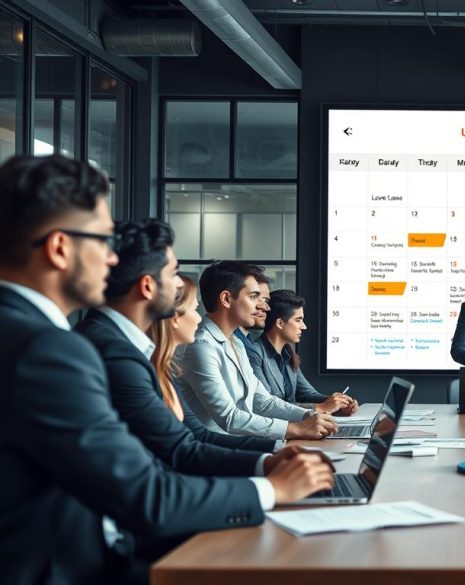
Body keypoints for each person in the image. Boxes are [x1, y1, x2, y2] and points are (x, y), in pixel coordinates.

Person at [0, 155, 334, 584]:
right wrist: (274, 488)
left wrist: (264, 465)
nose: (113, 259)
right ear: (60, 247)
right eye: (103, 241)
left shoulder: (32, 336)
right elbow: (147, 495)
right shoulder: (48, 351)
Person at [76, 219, 310, 478]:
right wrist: (273, 473)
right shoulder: (117, 353)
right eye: (173, 273)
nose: (179, 283)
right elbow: (181, 451)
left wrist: (273, 455)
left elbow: (193, 437)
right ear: (147, 286)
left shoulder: (145, 355)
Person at [178, 260, 337, 440]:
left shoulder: (236, 343)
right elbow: (229, 418)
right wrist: (297, 429)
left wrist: (308, 416)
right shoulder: (201, 346)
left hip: (244, 444)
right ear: (226, 299)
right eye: (254, 297)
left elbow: (262, 401)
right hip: (218, 452)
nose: (261, 306)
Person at [150, 275, 280, 452]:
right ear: (174, 318)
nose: (198, 319)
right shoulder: (199, 346)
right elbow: (220, 426)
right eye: (194, 309)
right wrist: (274, 453)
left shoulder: (163, 371)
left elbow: (197, 436)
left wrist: (277, 449)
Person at [252, 289, 358, 415]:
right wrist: (322, 407)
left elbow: (307, 394)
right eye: (298, 320)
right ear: (280, 323)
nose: (304, 326)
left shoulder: (288, 354)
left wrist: (336, 403)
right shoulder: (254, 353)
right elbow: (269, 406)